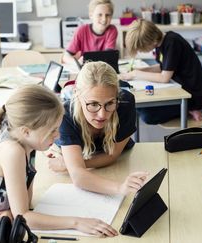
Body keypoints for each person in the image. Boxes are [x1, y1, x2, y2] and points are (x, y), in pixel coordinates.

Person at [0, 85, 118, 242]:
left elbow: (24, 207)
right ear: (26, 131)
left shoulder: (25, 145)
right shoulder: (12, 151)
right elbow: (25, 216)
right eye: (52, 130)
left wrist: (14, 214)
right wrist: (77, 222)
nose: (57, 136)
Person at [47, 61, 148, 195]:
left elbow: (113, 155)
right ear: (77, 94)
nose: (102, 115)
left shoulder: (125, 102)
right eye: (93, 104)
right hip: (84, 174)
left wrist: (72, 165)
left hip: (121, 162)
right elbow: (78, 177)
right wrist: (120, 188)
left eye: (110, 103)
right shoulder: (65, 115)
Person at [119, 19, 202, 124]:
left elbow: (164, 77)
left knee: (147, 115)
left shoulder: (172, 43)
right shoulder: (161, 43)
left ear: (151, 41)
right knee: (139, 107)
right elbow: (163, 67)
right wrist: (139, 70)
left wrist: (136, 73)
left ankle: (190, 109)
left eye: (141, 48)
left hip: (192, 95)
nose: (140, 51)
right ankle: (188, 109)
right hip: (180, 89)